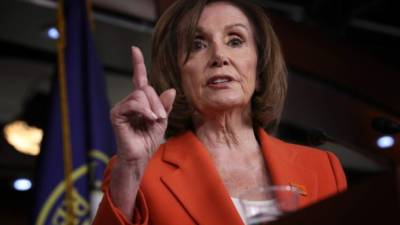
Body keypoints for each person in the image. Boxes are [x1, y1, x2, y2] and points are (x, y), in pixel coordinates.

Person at [93, 0, 347, 224]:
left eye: (235, 40)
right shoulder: (140, 172)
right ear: (177, 76)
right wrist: (132, 167)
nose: (219, 55)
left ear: (259, 71)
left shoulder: (323, 168)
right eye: (198, 44)